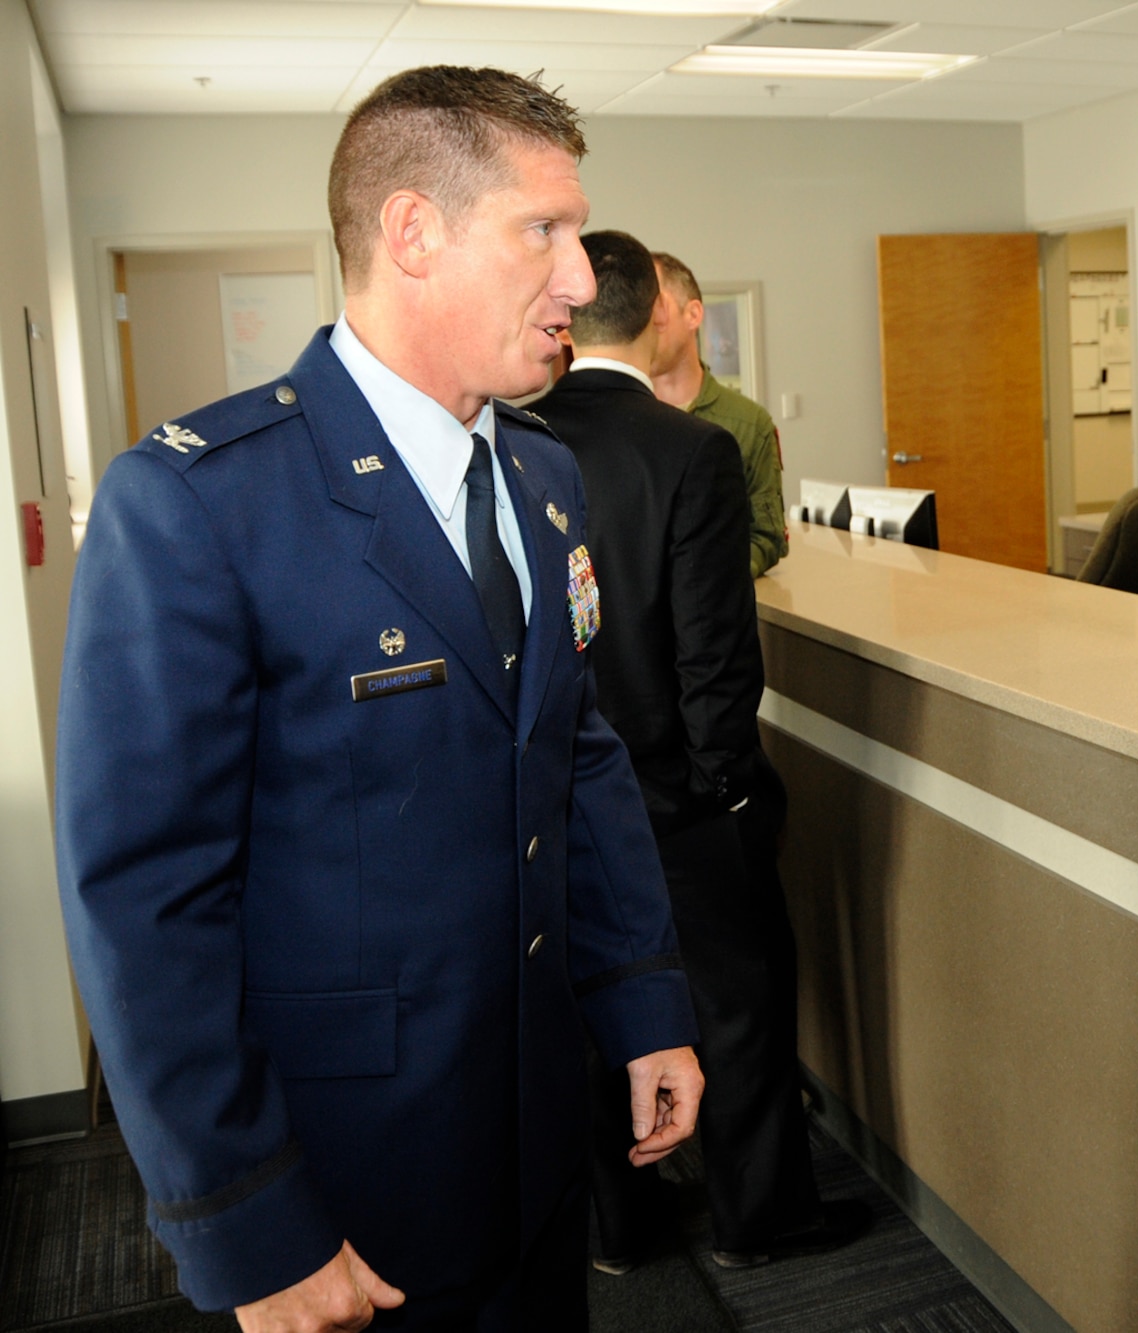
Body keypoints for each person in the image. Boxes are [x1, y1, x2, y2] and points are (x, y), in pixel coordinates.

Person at [54, 67, 705, 1331]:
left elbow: (578, 756)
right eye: (543, 231)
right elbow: (147, 898)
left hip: (532, 1132)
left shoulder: (545, 475)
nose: (579, 278)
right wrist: (245, 1217)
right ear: (413, 232)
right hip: (343, 1178)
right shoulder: (200, 504)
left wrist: (643, 1004)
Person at [531, 230, 865, 1272]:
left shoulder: (510, 441)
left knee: (590, 1016)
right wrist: (725, 789)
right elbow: (716, 655)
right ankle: (759, 1218)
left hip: (556, 797)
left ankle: (622, 1230)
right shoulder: (686, 450)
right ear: (648, 314)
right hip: (676, 797)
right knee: (735, 1010)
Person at [647, 251, 789, 578]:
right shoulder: (620, 419)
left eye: (657, 306)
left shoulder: (749, 423)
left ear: (693, 314)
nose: (646, 321)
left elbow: (767, 535)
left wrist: (715, 581)